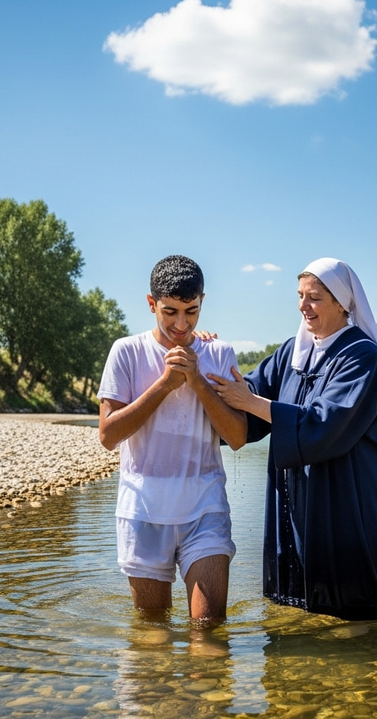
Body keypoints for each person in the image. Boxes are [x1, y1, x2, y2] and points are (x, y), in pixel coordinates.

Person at [208, 257, 377, 621]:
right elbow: (243, 396)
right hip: (294, 497)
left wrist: (251, 402)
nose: (303, 306)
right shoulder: (292, 354)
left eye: (314, 298)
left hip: (347, 498)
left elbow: (325, 424)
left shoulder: (361, 356)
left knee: (351, 610)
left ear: (342, 303)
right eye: (299, 296)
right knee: (292, 604)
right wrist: (207, 358)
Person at [97, 255, 247, 625]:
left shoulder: (219, 353)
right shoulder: (126, 351)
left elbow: (238, 437)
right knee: (153, 634)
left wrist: (198, 382)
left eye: (191, 311)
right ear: (151, 304)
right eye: (170, 312)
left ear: (202, 301)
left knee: (209, 629)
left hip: (205, 509)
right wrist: (165, 385)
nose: (181, 324)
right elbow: (108, 435)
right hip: (142, 512)